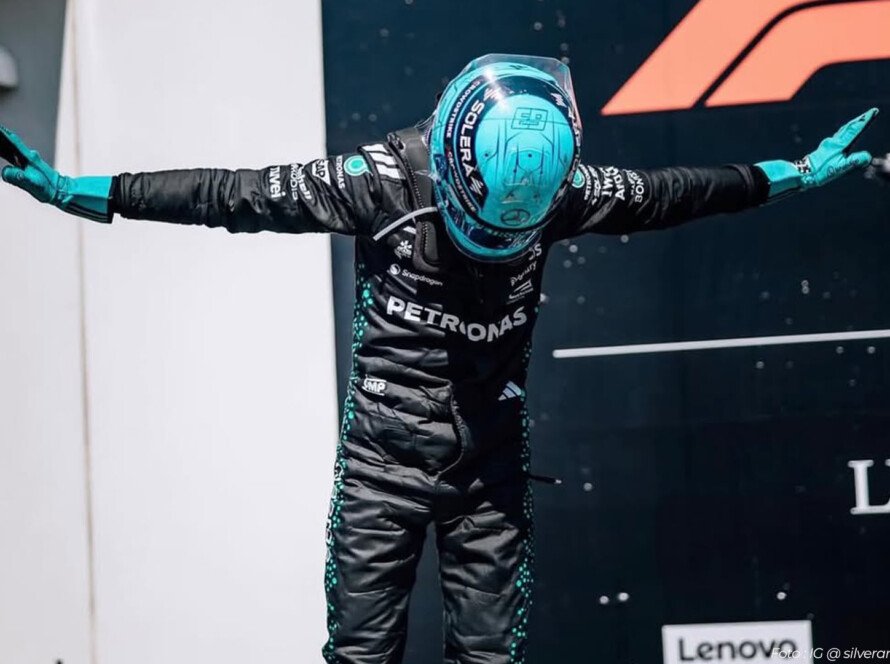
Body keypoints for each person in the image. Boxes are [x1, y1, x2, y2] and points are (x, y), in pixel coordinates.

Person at [0, 53, 878, 664]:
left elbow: (668, 194)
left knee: (490, 660)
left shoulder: (560, 185)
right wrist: (83, 192)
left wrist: (792, 172)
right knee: (359, 657)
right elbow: (232, 195)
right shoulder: (377, 179)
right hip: (381, 467)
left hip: (490, 466)